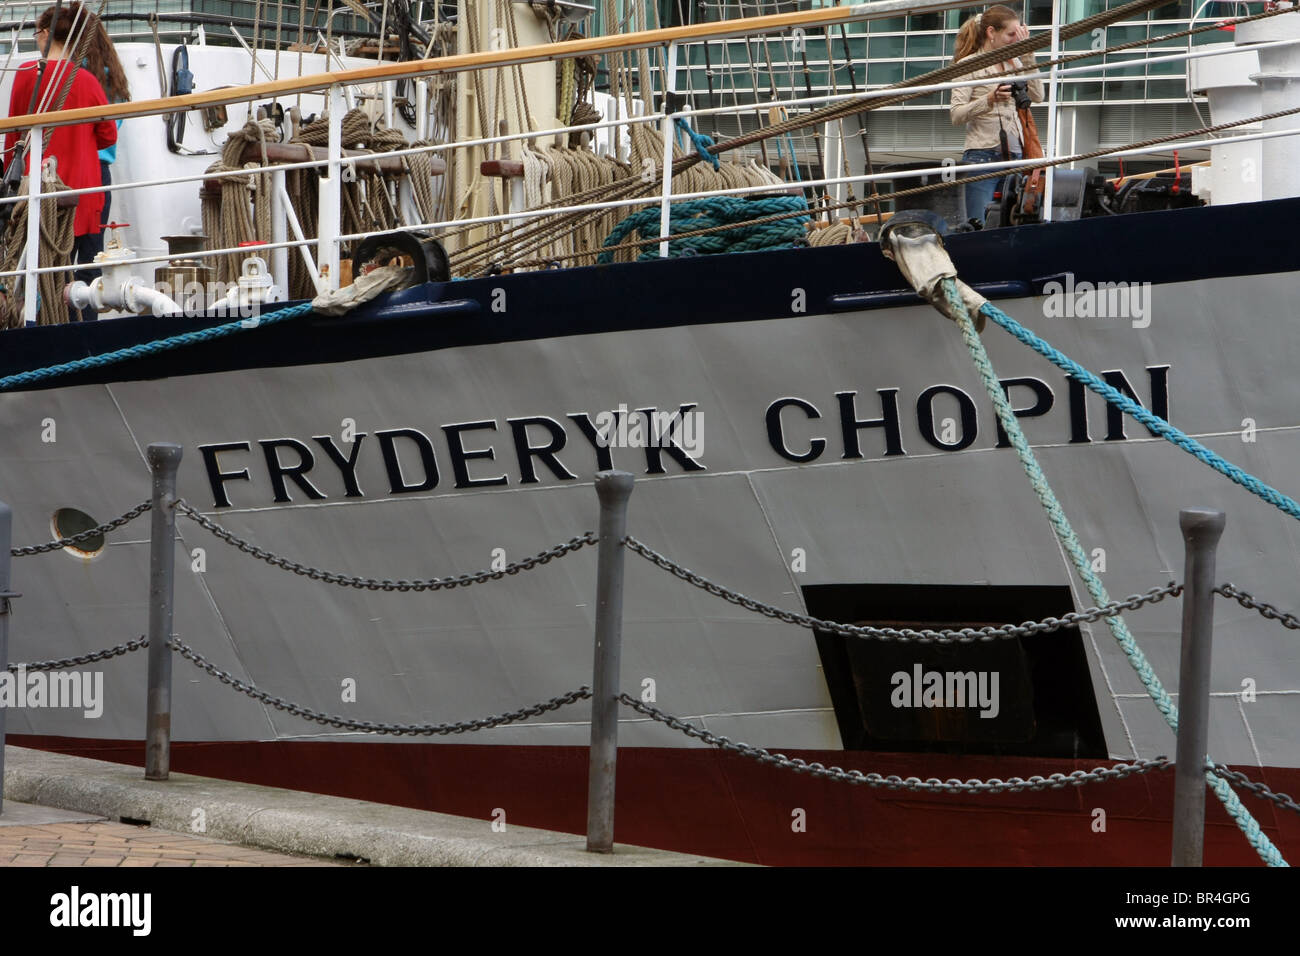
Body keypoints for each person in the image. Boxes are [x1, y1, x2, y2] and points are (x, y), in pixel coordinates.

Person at [3, 2, 117, 321]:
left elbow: (15, 134)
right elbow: (108, 136)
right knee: (85, 275)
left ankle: (36, 327)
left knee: (36, 271)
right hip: (84, 191)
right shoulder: (88, 82)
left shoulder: (26, 74)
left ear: (44, 35)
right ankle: (83, 336)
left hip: (36, 190)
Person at [948, 5, 1043, 225]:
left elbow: (1038, 95)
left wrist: (1028, 54)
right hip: (982, 157)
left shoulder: (1016, 63)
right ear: (991, 33)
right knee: (978, 223)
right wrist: (988, 100)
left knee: (1013, 222)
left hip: (1016, 158)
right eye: (1011, 34)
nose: (1015, 39)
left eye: (1019, 34)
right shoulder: (968, 66)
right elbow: (956, 114)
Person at [74, 11, 130, 321]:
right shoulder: (114, 81)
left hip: (71, 171)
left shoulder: (71, 78)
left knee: (59, 255)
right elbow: (110, 133)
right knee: (92, 255)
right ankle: (87, 327)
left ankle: (61, 321)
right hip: (99, 174)